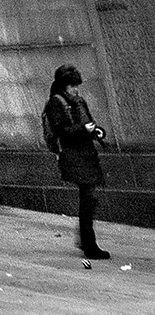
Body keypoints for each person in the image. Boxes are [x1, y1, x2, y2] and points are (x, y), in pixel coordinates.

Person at [45, 65, 109, 260]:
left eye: (76, 85)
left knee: (89, 198)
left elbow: (89, 123)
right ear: (63, 86)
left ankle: (85, 240)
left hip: (87, 154)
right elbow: (62, 131)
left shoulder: (79, 101)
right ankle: (89, 244)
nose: (76, 89)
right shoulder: (56, 103)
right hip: (73, 155)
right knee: (88, 197)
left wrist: (97, 132)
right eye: (72, 86)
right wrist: (84, 129)